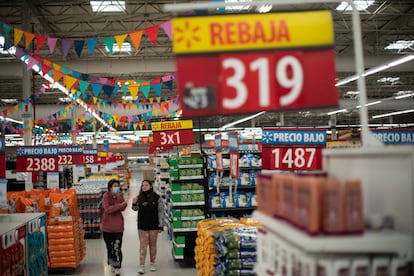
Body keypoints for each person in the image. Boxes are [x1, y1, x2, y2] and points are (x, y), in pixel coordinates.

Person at [132, 179, 164, 274]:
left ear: (150, 186)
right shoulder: (139, 197)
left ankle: (152, 263)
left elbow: (161, 211)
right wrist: (134, 203)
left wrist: (161, 225)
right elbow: (135, 209)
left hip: (154, 225)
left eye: (146, 185)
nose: (144, 187)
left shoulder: (157, 198)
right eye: (142, 185)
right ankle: (141, 265)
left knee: (153, 245)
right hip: (142, 225)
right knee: (143, 246)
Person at [101, 179, 128, 275]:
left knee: (117, 247)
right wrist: (119, 205)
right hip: (107, 227)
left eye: (117, 186)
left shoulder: (120, 195)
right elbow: (107, 209)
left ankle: (117, 266)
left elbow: (124, 207)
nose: (116, 187)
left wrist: (120, 205)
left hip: (118, 227)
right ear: (110, 187)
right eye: (114, 186)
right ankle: (112, 264)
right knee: (109, 247)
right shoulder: (105, 196)